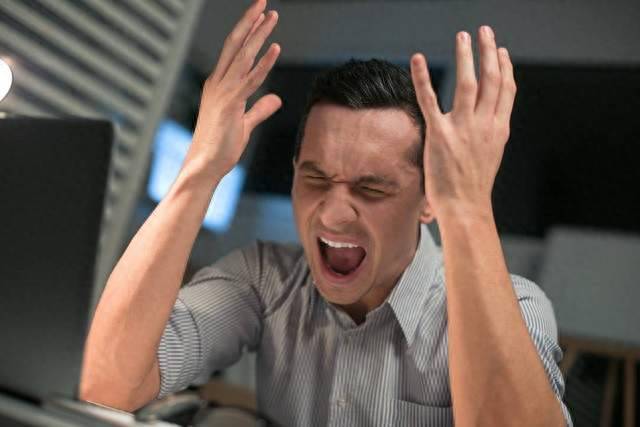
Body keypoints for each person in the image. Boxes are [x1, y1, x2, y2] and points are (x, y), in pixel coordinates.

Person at [80, 0, 572, 425]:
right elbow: (107, 386)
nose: (334, 214)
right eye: (315, 180)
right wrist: (200, 171)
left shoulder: (519, 306)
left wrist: (467, 208)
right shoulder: (265, 280)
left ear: (429, 200)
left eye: (371, 189)